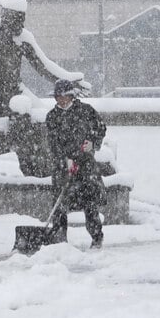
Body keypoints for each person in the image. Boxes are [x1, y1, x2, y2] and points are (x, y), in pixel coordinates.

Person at [46, 79, 106, 248]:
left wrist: (93, 143)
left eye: (64, 96)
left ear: (72, 96)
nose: (61, 100)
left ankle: (96, 238)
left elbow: (101, 127)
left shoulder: (86, 111)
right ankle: (59, 239)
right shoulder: (52, 116)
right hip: (62, 167)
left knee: (90, 203)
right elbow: (53, 142)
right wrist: (65, 160)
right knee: (59, 202)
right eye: (58, 96)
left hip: (86, 166)